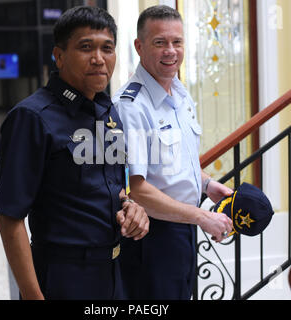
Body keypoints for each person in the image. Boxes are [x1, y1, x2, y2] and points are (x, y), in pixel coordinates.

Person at [0, 6, 149, 300]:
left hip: (114, 270)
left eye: (108, 48)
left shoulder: (107, 110)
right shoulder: (32, 118)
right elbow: (9, 217)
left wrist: (132, 207)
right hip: (64, 276)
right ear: (59, 55)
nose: (99, 59)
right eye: (85, 47)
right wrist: (32, 295)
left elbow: (113, 186)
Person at [113, 5, 233, 300]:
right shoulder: (132, 106)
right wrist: (201, 217)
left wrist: (206, 184)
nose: (171, 51)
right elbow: (136, 190)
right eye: (160, 43)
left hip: (183, 228)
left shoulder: (179, 93)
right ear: (139, 46)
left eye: (177, 42)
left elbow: (175, 161)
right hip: (152, 237)